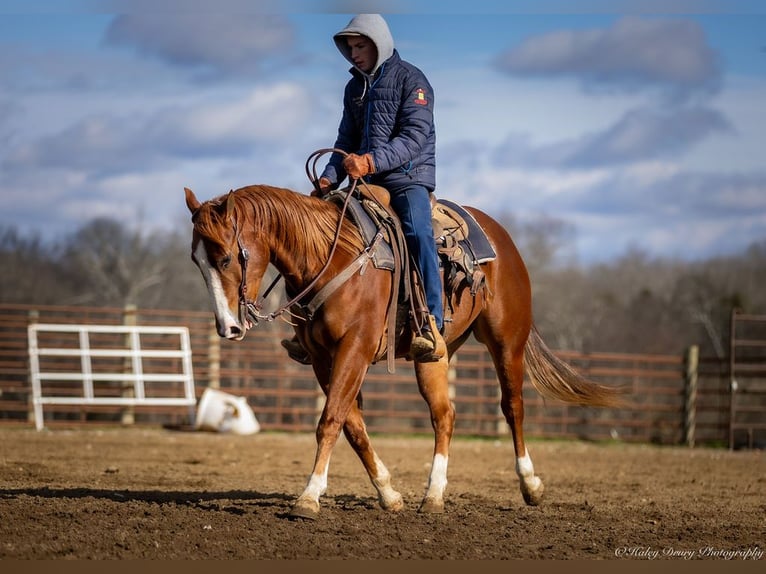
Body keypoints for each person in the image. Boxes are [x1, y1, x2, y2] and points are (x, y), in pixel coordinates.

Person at [282, 13, 446, 363]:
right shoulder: (354, 87)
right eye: (350, 48)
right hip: (364, 181)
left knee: (418, 233)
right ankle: (306, 326)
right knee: (320, 233)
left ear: (379, 44)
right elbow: (346, 138)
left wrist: (370, 162)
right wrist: (329, 177)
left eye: (361, 46)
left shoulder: (413, 81)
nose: (354, 54)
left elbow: (414, 137)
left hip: (407, 177)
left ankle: (432, 322)